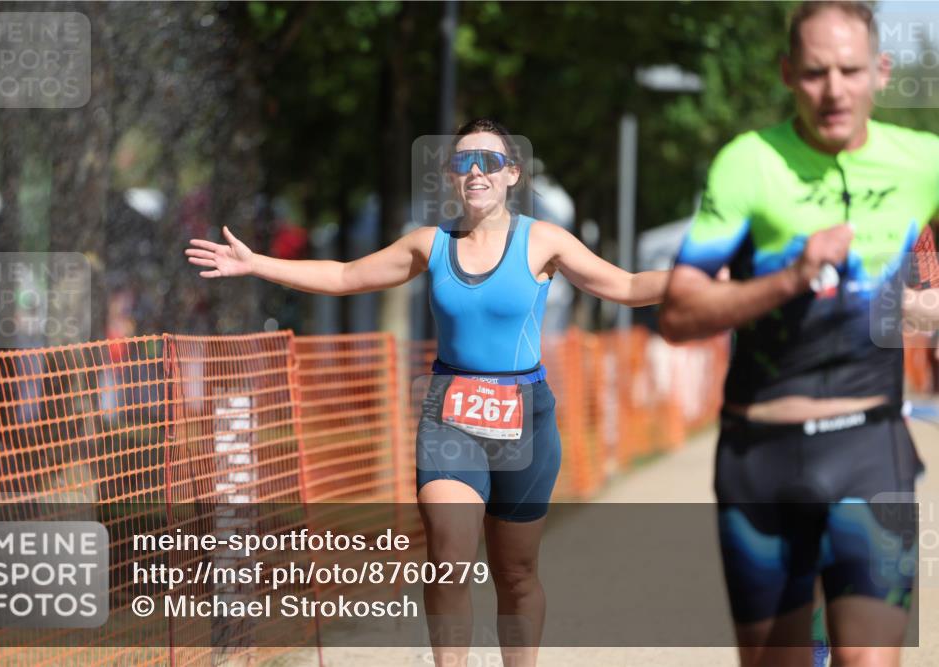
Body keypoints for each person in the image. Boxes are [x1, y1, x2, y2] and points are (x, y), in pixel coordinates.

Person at [185, 118, 668, 667]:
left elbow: (626, 286)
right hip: (451, 413)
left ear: (512, 172)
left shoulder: (544, 241)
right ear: (452, 175)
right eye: (465, 162)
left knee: (516, 573)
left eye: (489, 161)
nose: (477, 172)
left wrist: (696, 282)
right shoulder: (430, 244)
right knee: (448, 559)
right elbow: (345, 276)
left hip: (525, 418)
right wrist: (256, 264)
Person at [659, 2, 939, 666]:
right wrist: (792, 276)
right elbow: (677, 314)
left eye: (849, 70)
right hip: (762, 457)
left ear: (881, 72)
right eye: (815, 73)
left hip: (870, 449)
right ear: (788, 73)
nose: (834, 90)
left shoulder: (923, 161)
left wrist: (915, 307)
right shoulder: (749, 163)